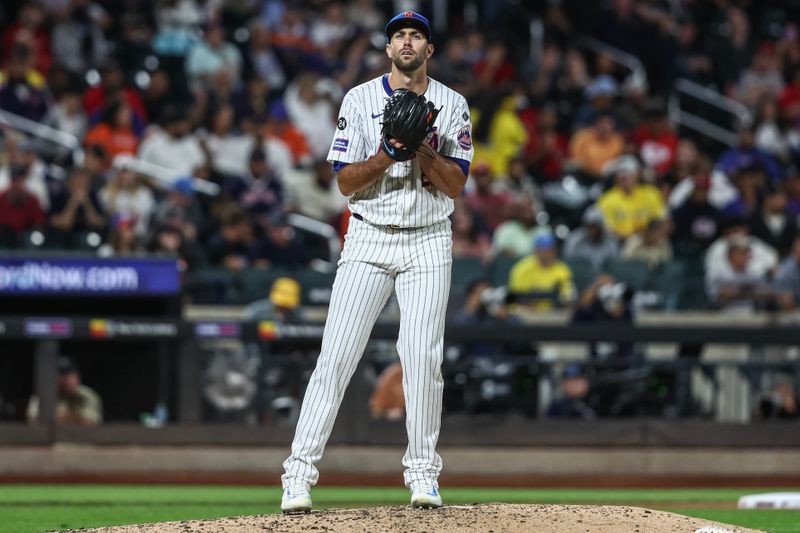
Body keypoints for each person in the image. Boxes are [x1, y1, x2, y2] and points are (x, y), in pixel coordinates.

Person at [280, 11, 472, 513]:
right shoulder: (358, 99)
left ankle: (424, 476)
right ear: (388, 49)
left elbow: (456, 185)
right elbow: (344, 182)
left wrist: (424, 151)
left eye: (416, 35)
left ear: (429, 49)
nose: (406, 42)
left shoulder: (452, 104)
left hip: (429, 238)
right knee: (336, 357)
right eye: (398, 36)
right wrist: (389, 153)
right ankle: (297, 476)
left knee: (423, 361)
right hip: (367, 237)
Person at [26, 357, 103, 426]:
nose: (64, 380)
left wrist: (56, 418)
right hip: (53, 440)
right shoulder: (43, 395)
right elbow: (33, 421)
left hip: (81, 439)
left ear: (77, 377)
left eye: (68, 375)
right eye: (60, 375)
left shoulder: (87, 395)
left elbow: (89, 423)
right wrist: (75, 417)